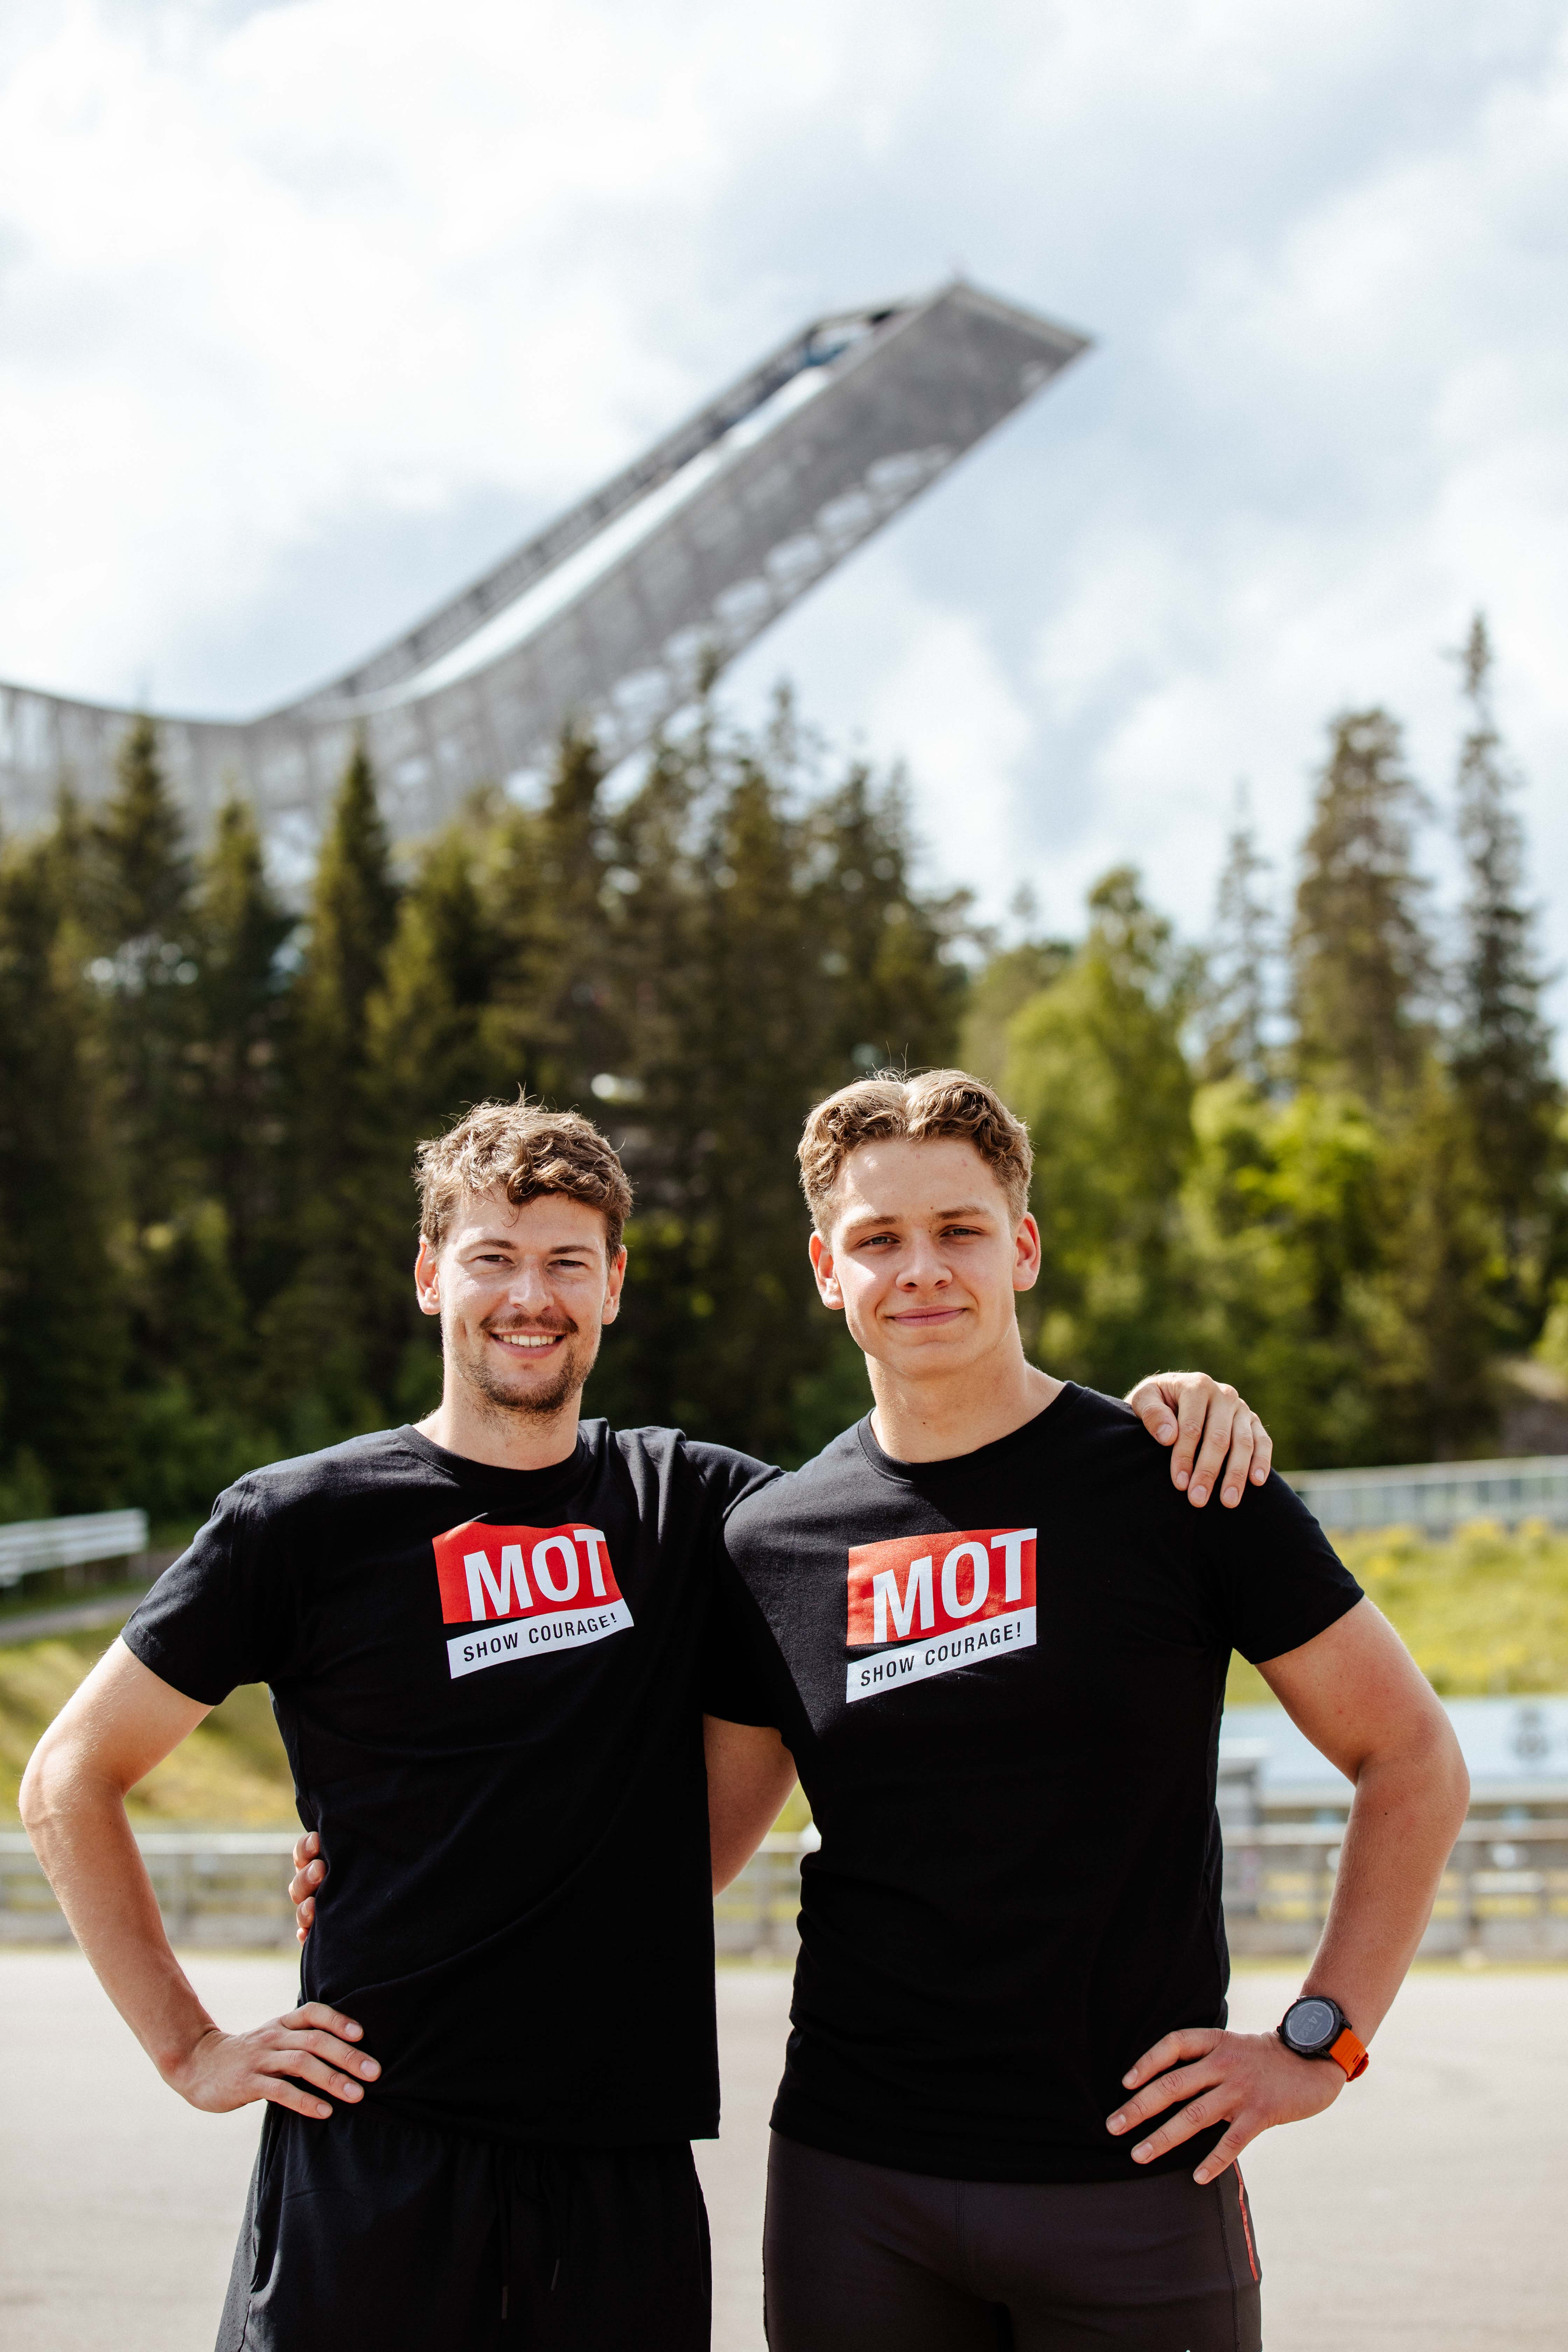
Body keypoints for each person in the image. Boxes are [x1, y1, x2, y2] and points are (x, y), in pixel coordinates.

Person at [20, 1094, 1263, 2352]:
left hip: (622, 2183)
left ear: (613, 1287)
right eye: (492, 1258)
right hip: (373, 2162)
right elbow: (70, 1775)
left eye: (567, 1262)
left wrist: (1166, 1409)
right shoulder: (300, 1521)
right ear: (427, 1275)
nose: (530, 1298)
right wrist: (189, 2048)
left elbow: (918, 1495)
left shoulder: (702, 1510)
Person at [704, 1069, 1471, 2352]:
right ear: (828, 1272)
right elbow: (687, 1849)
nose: (923, 1269)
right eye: (878, 1240)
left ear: (1025, 1245)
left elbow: (1411, 1758)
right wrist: (397, 1858)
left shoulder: (1182, 1480)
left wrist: (1317, 2042)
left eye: (959, 1229)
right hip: (856, 2182)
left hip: (1133, 2179)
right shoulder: (774, 1543)